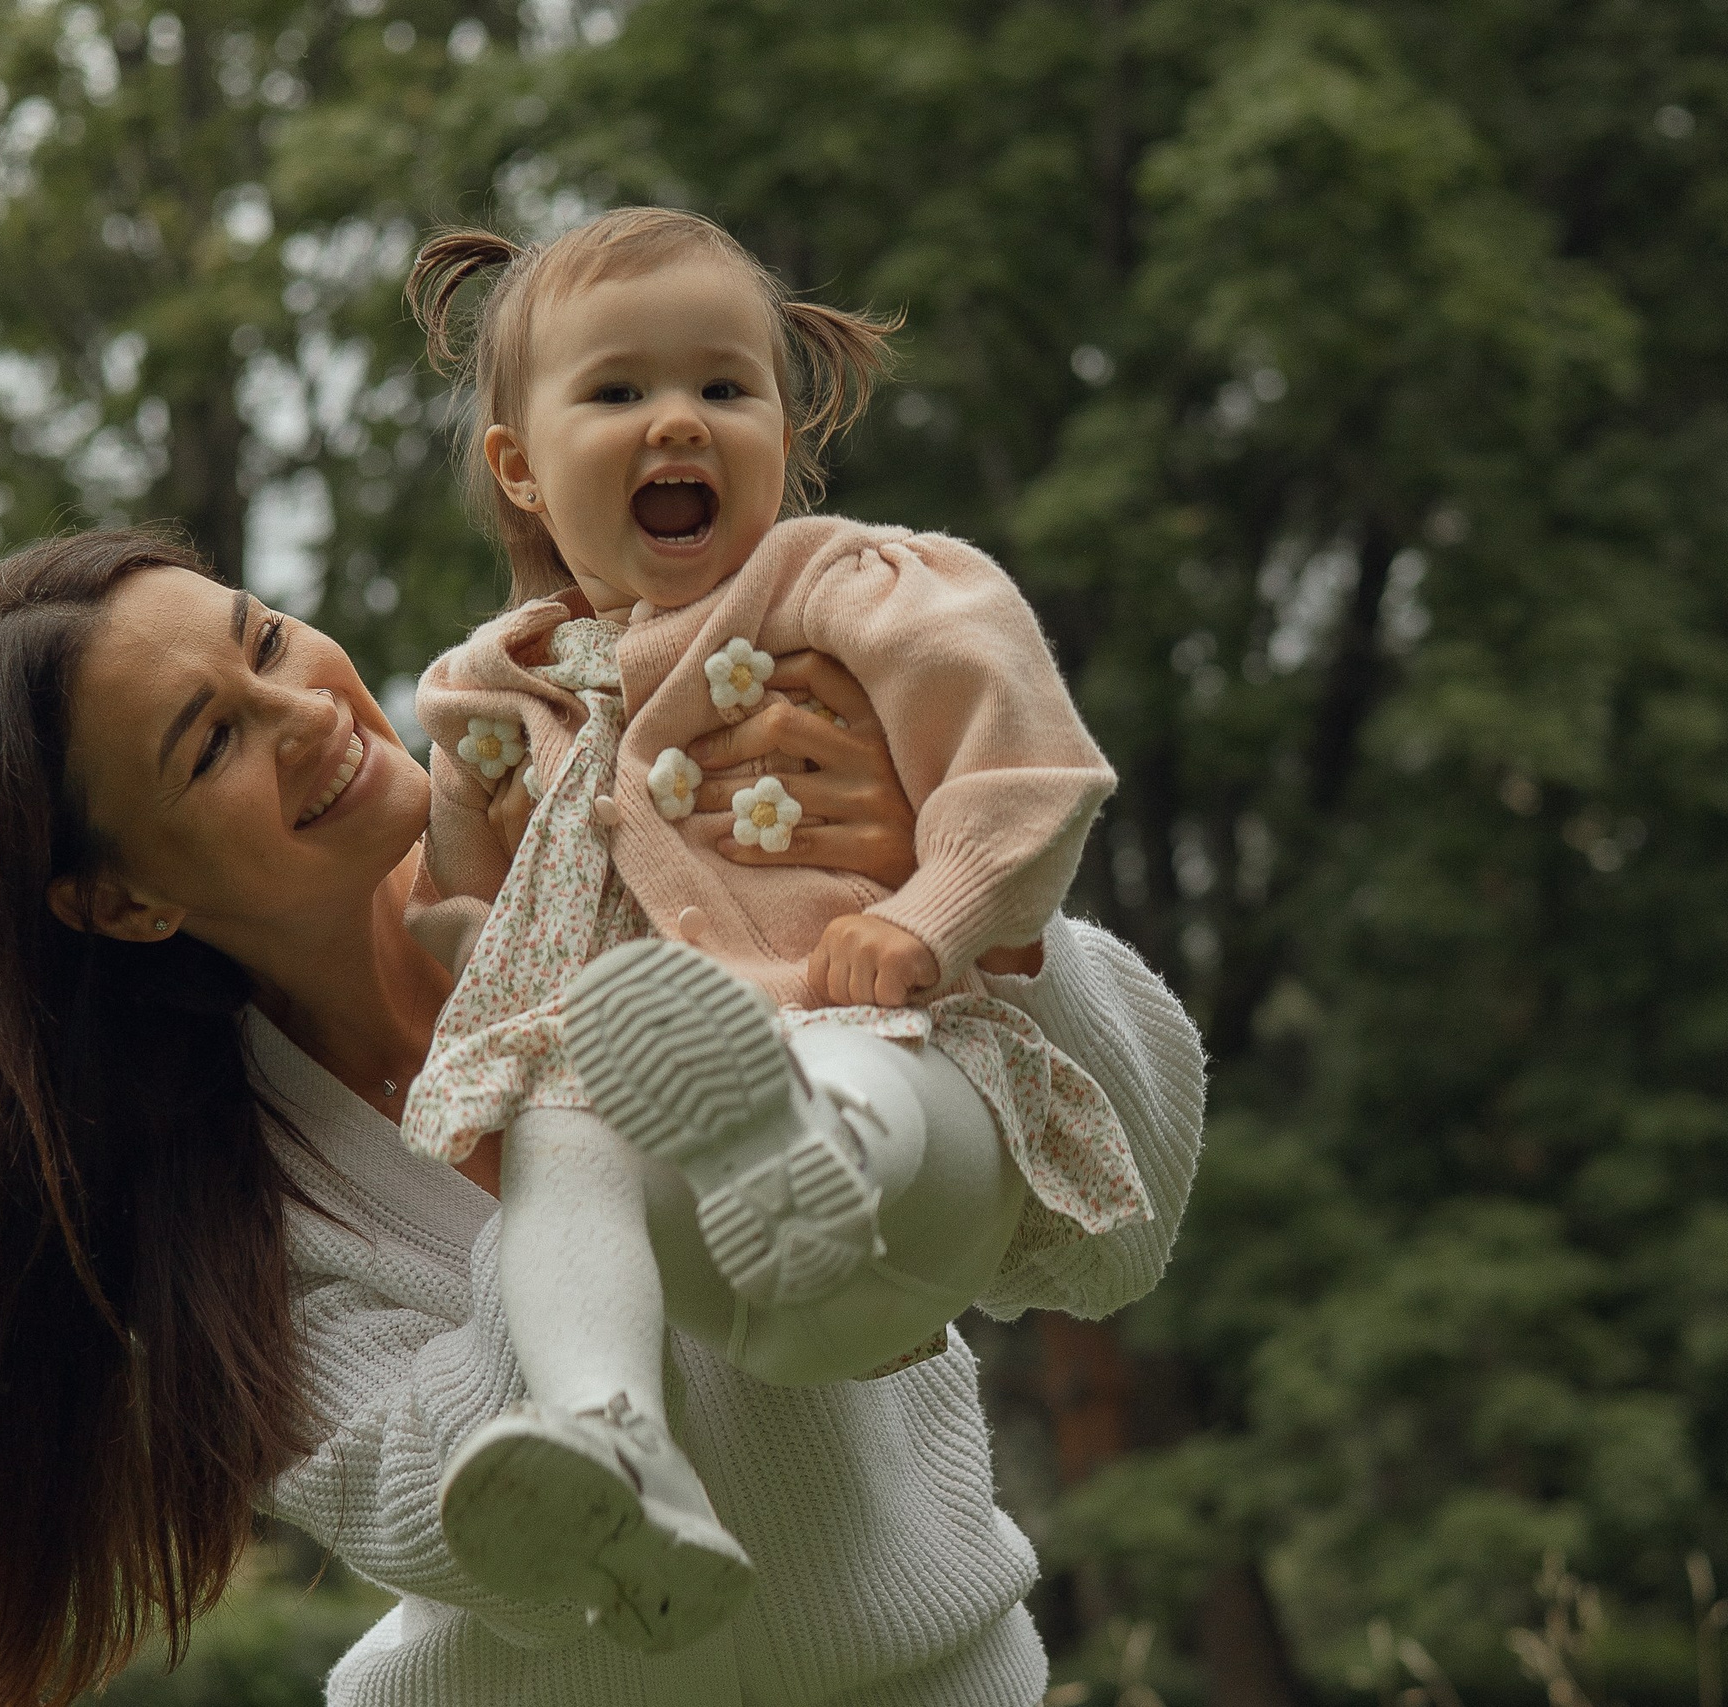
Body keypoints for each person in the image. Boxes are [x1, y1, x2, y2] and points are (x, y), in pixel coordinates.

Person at [0, 528, 1203, 1707]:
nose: (304, 710)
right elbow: (501, 1544)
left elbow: (1119, 1231)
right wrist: (556, 1104)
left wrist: (948, 907)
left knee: (843, 1136)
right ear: (123, 902)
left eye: (264, 641)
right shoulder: (226, 1220)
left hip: (946, 1686)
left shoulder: (655, 830)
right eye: (211, 745)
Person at [395, 206, 1153, 1652]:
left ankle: (800, 1154)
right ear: (521, 468)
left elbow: (1029, 770)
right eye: (619, 392)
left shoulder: (846, 588)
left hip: (880, 1041)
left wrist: (929, 919)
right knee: (560, 1126)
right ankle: (615, 1441)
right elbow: (476, 905)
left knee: (854, 1070)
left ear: (785, 434)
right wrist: (463, 956)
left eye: (724, 389)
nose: (678, 419)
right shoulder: (498, 698)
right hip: (675, 1150)